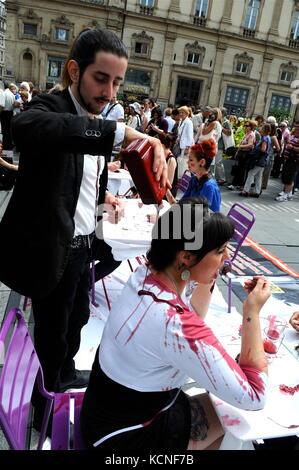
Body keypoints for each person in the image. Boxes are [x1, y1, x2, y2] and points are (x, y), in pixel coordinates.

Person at [0, 28, 167, 429]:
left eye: (117, 82)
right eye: (101, 78)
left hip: (81, 245)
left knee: (74, 321)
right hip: (50, 247)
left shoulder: (93, 113)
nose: (110, 91)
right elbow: (27, 128)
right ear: (74, 70)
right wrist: (122, 132)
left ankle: (64, 376)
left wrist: (101, 200)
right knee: (52, 334)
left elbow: (80, 173)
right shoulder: (53, 105)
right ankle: (45, 410)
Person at [80, 197, 270, 451]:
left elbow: (194, 313)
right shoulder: (175, 324)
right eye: (219, 251)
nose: (227, 258)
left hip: (103, 415)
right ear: (186, 257)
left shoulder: (145, 274)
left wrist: (208, 274)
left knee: (223, 414)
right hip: (125, 439)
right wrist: (252, 313)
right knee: (239, 421)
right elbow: (255, 396)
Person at [169, 139, 221, 212]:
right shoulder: (194, 179)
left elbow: (199, 217)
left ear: (202, 162)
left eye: (191, 160)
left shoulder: (209, 186)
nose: (187, 162)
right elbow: (182, 202)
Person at [240, 123, 271, 198]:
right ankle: (257, 192)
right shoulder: (267, 137)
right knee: (258, 176)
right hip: (263, 160)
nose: (260, 129)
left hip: (259, 160)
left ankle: (245, 190)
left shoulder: (264, 138)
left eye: (261, 127)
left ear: (264, 129)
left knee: (251, 174)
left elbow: (263, 149)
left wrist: (256, 148)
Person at [228, 120, 256, 190]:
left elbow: (250, 145)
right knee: (240, 169)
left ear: (251, 127)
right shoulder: (246, 134)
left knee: (241, 170)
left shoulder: (251, 134)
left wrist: (241, 147)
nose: (245, 127)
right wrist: (237, 152)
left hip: (246, 154)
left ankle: (236, 184)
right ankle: (238, 184)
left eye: (247, 126)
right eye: (244, 125)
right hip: (242, 153)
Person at [275, 121, 299, 201]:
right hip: (288, 159)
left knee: (289, 177)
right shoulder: (293, 135)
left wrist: (292, 148)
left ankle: (285, 195)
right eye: (295, 126)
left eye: (298, 127)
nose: (296, 128)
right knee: (287, 177)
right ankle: (289, 194)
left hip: (294, 160)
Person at [176, 106, 194, 179]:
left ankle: (185, 178)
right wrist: (178, 139)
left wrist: (188, 147)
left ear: (186, 114)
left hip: (186, 145)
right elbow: (180, 133)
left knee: (185, 162)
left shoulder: (189, 122)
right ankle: (180, 177)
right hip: (181, 144)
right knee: (181, 161)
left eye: (182, 112)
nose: (180, 114)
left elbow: (190, 135)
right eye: (180, 112)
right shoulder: (181, 121)